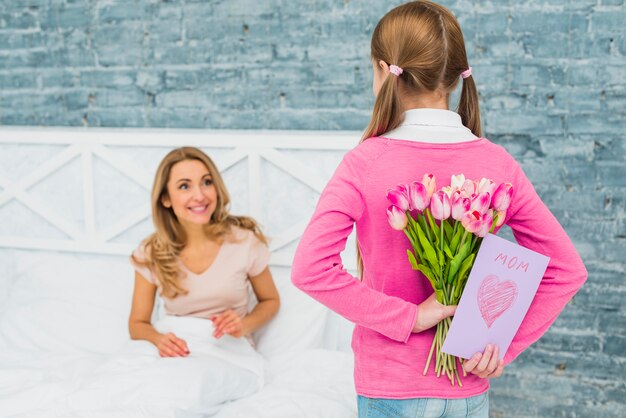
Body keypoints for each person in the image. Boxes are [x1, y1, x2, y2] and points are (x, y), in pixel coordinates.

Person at [291, 2, 587, 417]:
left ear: (382, 69)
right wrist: (499, 345)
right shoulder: (496, 162)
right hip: (469, 390)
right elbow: (567, 270)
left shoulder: (366, 161)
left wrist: (410, 318)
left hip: (392, 387)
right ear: (455, 75)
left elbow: (310, 270)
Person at [129, 146, 280, 357]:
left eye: (207, 182)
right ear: (166, 199)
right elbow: (137, 324)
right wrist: (159, 340)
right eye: (184, 186)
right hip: (179, 350)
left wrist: (244, 325)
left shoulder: (244, 241)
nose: (199, 195)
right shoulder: (151, 252)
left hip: (230, 351)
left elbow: (271, 301)